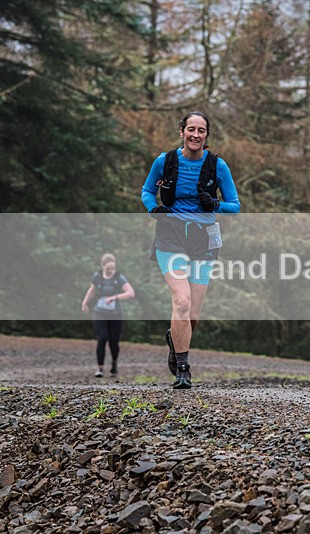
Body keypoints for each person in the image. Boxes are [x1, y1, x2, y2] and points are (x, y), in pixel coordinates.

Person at [141, 111, 240, 389]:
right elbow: (147, 191)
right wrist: (153, 208)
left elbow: (235, 205)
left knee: (192, 314)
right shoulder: (165, 161)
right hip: (170, 235)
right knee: (181, 301)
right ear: (182, 131)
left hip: (203, 240)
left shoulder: (217, 166)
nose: (195, 135)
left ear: (207, 135)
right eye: (191, 129)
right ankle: (183, 369)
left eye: (201, 130)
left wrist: (215, 204)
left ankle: (175, 339)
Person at [81, 253, 136, 377]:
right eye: (109, 268)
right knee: (102, 338)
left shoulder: (119, 277)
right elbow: (91, 290)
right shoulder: (97, 276)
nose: (111, 270)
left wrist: (114, 297)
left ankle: (114, 364)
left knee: (113, 342)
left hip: (115, 314)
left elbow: (130, 293)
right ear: (103, 266)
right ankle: (100, 368)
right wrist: (85, 302)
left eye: (113, 268)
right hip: (100, 312)